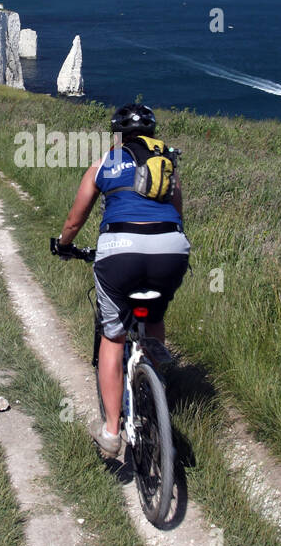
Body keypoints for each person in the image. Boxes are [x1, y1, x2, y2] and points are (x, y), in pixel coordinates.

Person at [55, 104, 190, 457]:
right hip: (171, 250)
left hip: (119, 252)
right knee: (155, 316)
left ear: (117, 135)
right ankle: (154, 376)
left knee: (113, 337)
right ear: (152, 134)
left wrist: (64, 245)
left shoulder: (104, 163)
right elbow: (177, 213)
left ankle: (113, 432)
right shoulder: (168, 164)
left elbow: (75, 219)